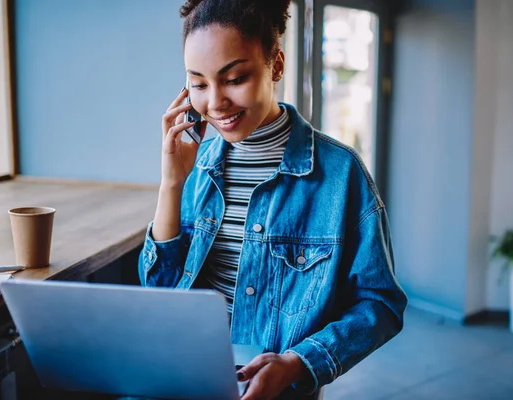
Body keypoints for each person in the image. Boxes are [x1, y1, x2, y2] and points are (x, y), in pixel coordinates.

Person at [138, 0, 407, 399]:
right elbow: (159, 293)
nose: (215, 102)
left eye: (234, 78)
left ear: (276, 65)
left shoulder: (340, 174)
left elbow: (380, 304)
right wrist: (171, 184)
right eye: (198, 83)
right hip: (185, 376)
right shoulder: (196, 168)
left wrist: (300, 363)